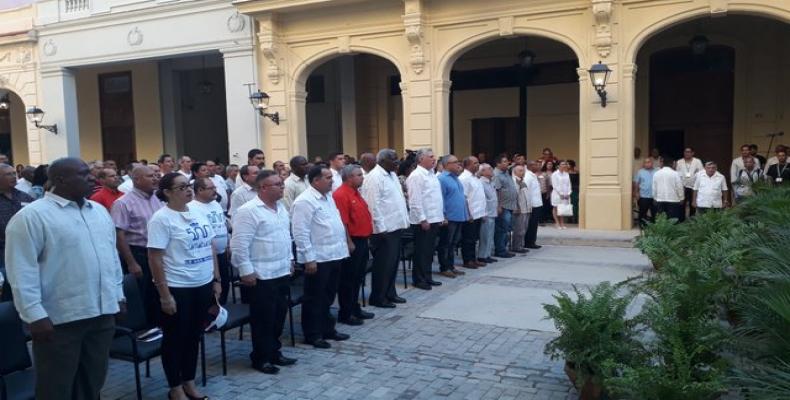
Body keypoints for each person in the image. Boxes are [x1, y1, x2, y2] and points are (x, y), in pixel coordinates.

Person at [5, 157, 124, 400]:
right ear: (60, 179)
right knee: (56, 388)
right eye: (84, 174)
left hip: (101, 313)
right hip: (60, 320)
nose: (92, 178)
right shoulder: (32, 216)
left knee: (92, 382)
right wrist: (34, 315)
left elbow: (111, 258)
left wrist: (118, 294)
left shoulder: (98, 211)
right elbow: (20, 270)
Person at [148, 172, 221, 400]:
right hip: (178, 286)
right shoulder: (161, 218)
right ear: (167, 192)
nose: (188, 190)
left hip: (202, 282)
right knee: (175, 338)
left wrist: (216, 279)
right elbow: (155, 258)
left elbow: (209, 246)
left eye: (188, 185)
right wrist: (164, 294)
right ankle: (175, 387)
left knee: (194, 335)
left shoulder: (198, 211)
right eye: (181, 188)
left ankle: (189, 381)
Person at [231, 170, 297, 374]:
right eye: (277, 184)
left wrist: (290, 260)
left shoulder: (280, 208)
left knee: (279, 315)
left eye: (282, 184)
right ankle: (261, 357)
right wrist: (246, 271)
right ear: (263, 188)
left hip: (280, 270)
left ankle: (274, 351)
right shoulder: (248, 211)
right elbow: (239, 244)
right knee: (263, 319)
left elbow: (286, 236)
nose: (282, 187)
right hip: (261, 274)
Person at [292, 166, 350, 348]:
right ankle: (313, 333)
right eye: (327, 177)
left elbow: (335, 223)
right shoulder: (305, 201)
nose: (332, 180)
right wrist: (308, 258)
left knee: (328, 295)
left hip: (334, 254)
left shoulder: (328, 197)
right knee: (315, 297)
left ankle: (327, 328)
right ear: (316, 180)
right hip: (318, 257)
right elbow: (300, 232)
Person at [111, 165, 163, 328]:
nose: (155, 178)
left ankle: (160, 324)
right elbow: (119, 235)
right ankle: (147, 328)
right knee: (144, 293)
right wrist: (132, 262)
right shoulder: (123, 203)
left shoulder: (157, 197)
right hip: (139, 253)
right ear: (136, 180)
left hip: (159, 252)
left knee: (159, 290)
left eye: (156, 175)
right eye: (150, 176)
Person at [360, 149, 410, 308]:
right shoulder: (374, 177)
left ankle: (390, 292)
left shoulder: (392, 175)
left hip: (395, 226)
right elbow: (372, 206)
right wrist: (381, 229)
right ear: (382, 161)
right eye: (393, 159)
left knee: (393, 263)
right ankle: (378, 297)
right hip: (384, 230)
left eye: (397, 159)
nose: (397, 162)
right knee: (383, 265)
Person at [332, 165, 376, 323]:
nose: (362, 177)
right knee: (348, 279)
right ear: (349, 177)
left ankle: (354, 307)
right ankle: (346, 312)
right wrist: (348, 242)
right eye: (359, 175)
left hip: (363, 240)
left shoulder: (356, 192)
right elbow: (342, 222)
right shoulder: (341, 194)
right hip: (352, 242)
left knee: (358, 278)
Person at [405, 148, 444, 290]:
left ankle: (427, 276)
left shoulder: (432, 174)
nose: (434, 159)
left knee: (429, 251)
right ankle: (419, 279)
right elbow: (415, 200)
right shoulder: (416, 176)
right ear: (421, 159)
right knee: (421, 251)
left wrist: (440, 216)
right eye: (430, 157)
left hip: (434, 218)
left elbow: (435, 198)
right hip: (423, 221)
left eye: (434, 156)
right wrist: (422, 219)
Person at [189, 177, 231, 305]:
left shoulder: (215, 204)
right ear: (200, 190)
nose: (215, 191)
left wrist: (227, 244)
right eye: (211, 188)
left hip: (222, 252)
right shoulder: (192, 207)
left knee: (225, 283)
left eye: (215, 187)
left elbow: (222, 225)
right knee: (212, 288)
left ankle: (222, 312)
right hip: (207, 255)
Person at [437, 155, 470, 276]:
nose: (458, 165)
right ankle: (444, 267)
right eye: (455, 162)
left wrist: (466, 214)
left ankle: (451, 266)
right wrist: (443, 216)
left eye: (458, 162)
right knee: (446, 244)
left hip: (458, 216)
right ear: (446, 165)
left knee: (453, 243)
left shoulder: (456, 178)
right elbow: (440, 199)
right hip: (449, 218)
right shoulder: (442, 179)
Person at [0, 163, 33, 271]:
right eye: (8, 174)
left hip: (26, 251)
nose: (14, 176)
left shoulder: (25, 197)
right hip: (3, 254)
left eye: (14, 173)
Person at [459, 156, 487, 268]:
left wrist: (483, 213)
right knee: (468, 238)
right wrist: (468, 213)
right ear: (468, 165)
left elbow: (479, 196)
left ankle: (473, 258)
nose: (478, 165)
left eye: (478, 163)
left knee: (474, 238)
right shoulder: (464, 178)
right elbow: (464, 198)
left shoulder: (475, 177)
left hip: (478, 213)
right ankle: (467, 260)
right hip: (470, 214)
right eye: (475, 163)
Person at [493, 155, 517, 258]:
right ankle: (500, 250)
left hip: (510, 206)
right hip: (503, 206)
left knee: (507, 228)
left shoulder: (506, 173)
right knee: (502, 229)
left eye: (507, 161)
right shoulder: (496, 175)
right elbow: (496, 191)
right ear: (498, 164)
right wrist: (498, 205)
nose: (507, 163)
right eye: (504, 161)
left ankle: (504, 248)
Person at [476, 164, 498, 263]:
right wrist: (483, 213)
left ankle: (487, 254)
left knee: (490, 235)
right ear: (483, 172)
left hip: (492, 211)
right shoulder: (481, 183)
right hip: (486, 213)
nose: (491, 170)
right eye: (489, 169)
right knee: (485, 236)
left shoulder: (491, 182)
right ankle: (482, 255)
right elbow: (482, 199)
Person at [675, 147, 704, 221]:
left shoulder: (697, 161)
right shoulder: (679, 162)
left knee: (693, 204)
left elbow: (701, 173)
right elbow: (677, 174)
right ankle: (681, 220)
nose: (687, 153)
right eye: (685, 152)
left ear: (692, 153)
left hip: (694, 186)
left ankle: (692, 220)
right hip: (682, 186)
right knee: (681, 204)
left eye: (689, 152)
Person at [652, 156, 684, 221]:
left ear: (663, 163)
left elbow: (654, 188)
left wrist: (654, 198)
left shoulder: (656, 174)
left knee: (661, 221)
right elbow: (679, 187)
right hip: (673, 200)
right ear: (672, 164)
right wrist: (681, 198)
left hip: (660, 200)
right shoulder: (675, 174)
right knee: (673, 220)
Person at [510, 164, 531, 252]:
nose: (523, 173)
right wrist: (517, 207)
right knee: (519, 229)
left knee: (524, 228)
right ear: (514, 172)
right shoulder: (515, 182)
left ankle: (521, 245)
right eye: (520, 171)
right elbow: (515, 196)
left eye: (523, 171)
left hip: (526, 209)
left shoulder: (523, 181)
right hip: (520, 209)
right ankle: (516, 247)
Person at [524, 160, 543, 249]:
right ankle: (529, 242)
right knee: (531, 224)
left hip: (537, 204)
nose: (538, 167)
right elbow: (526, 191)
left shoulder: (533, 175)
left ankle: (532, 241)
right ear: (531, 166)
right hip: (532, 205)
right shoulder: (528, 176)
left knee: (534, 224)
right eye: (536, 165)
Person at [633, 158, 657, 228]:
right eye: (645, 162)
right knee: (642, 213)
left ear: (652, 163)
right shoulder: (640, 172)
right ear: (643, 164)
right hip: (643, 196)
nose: (647, 164)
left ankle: (654, 227)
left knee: (655, 213)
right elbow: (636, 183)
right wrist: (636, 193)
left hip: (654, 196)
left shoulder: (657, 171)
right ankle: (642, 227)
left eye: (649, 162)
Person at [551, 161, 572, 229]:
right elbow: (555, 185)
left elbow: (569, 184)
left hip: (566, 194)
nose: (564, 165)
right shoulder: (555, 174)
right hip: (557, 194)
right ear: (558, 166)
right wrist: (561, 193)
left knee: (562, 208)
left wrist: (569, 193)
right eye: (562, 164)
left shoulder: (566, 174)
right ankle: (557, 223)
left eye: (565, 164)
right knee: (556, 208)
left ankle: (562, 223)